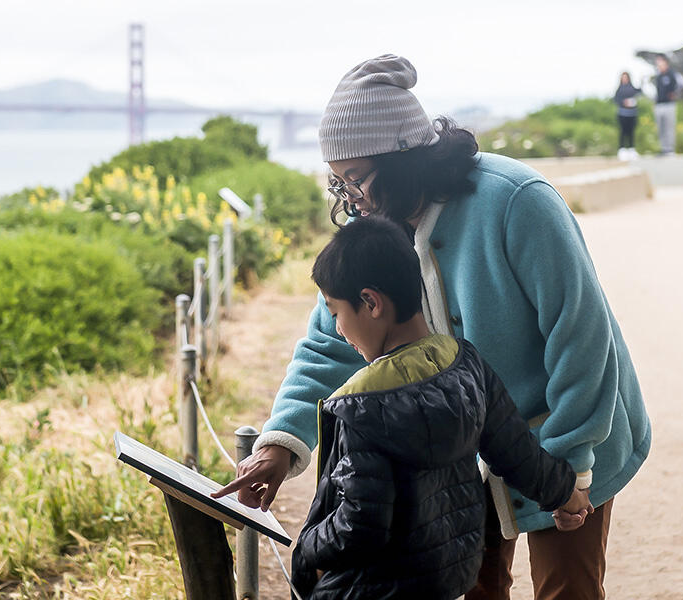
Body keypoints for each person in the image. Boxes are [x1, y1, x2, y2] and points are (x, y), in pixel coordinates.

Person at [212, 54, 651, 600]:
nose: (351, 198)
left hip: (573, 434)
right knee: (473, 587)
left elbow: (581, 337)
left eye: (356, 179)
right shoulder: (373, 228)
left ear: (403, 160)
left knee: (567, 589)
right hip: (466, 449)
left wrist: (569, 470)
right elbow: (330, 342)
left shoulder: (517, 201)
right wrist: (280, 445)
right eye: (338, 182)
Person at [288, 216, 593, 599]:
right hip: (447, 576)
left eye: (336, 314)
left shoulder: (361, 407)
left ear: (370, 302)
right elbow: (517, 452)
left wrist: (306, 553)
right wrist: (567, 494)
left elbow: (360, 523)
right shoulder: (465, 364)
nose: (337, 330)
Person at [653, 55, 679, 155]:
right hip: (659, 105)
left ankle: (670, 149)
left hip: (669, 105)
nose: (658, 64)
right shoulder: (658, 76)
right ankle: (663, 149)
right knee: (661, 128)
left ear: (665, 63)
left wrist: (673, 95)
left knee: (669, 127)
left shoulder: (672, 74)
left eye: (660, 62)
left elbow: (678, 87)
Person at [613, 71, 641, 160]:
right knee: (622, 132)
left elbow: (639, 92)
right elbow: (616, 100)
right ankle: (622, 149)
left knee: (631, 132)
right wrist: (623, 102)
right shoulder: (619, 89)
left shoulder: (632, 88)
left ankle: (632, 149)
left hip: (632, 114)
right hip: (622, 114)